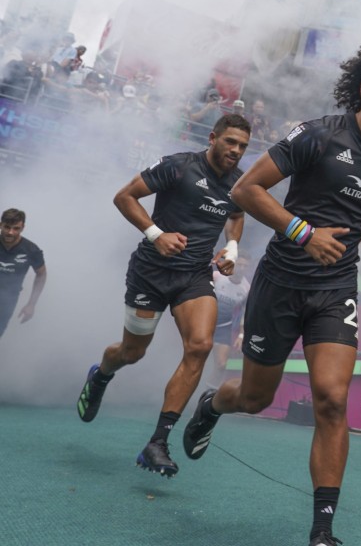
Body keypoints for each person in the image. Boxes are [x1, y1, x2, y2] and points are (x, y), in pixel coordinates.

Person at [181, 43, 361, 546]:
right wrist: (303, 233)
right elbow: (246, 190)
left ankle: (322, 529)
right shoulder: (317, 134)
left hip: (334, 291)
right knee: (254, 398)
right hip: (280, 283)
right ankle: (212, 405)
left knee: (332, 400)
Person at [74, 114, 249, 478]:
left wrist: (231, 247)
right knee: (132, 352)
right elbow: (124, 196)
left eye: (243, 146)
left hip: (194, 276)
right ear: (213, 138)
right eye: (230, 142)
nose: (236, 150)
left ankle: (157, 442)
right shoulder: (178, 165)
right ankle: (101, 374)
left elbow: (236, 215)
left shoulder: (238, 182)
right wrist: (156, 234)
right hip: (151, 273)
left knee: (200, 346)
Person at [0, 208, 47, 340]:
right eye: (7, 227)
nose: (10, 232)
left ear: (22, 228)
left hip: (6, 301)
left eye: (16, 228)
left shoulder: (31, 250)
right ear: (1, 225)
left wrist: (31, 304)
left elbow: (41, 274)